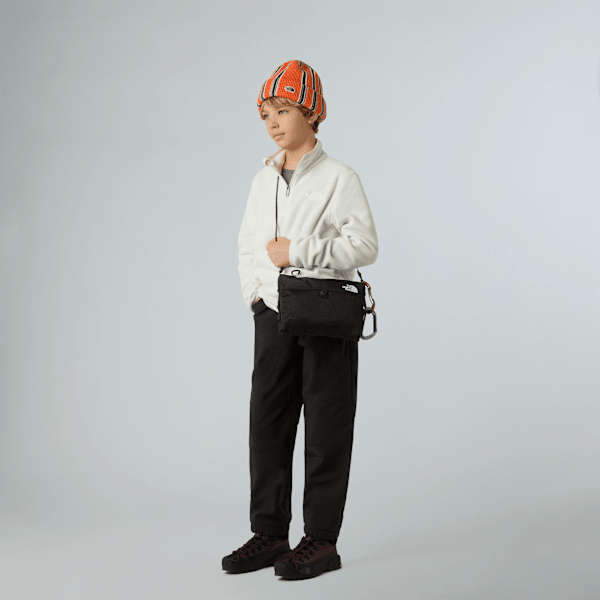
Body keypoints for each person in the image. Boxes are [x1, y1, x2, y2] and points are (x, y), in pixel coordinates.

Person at [222, 60, 378, 580]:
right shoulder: (261, 180)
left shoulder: (339, 178)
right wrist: (255, 298)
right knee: (267, 423)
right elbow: (249, 246)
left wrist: (298, 252)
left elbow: (364, 245)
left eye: (283, 110)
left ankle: (321, 541)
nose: (272, 122)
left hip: (324, 313)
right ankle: (269, 533)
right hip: (274, 315)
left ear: (312, 113)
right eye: (265, 113)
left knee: (327, 426)